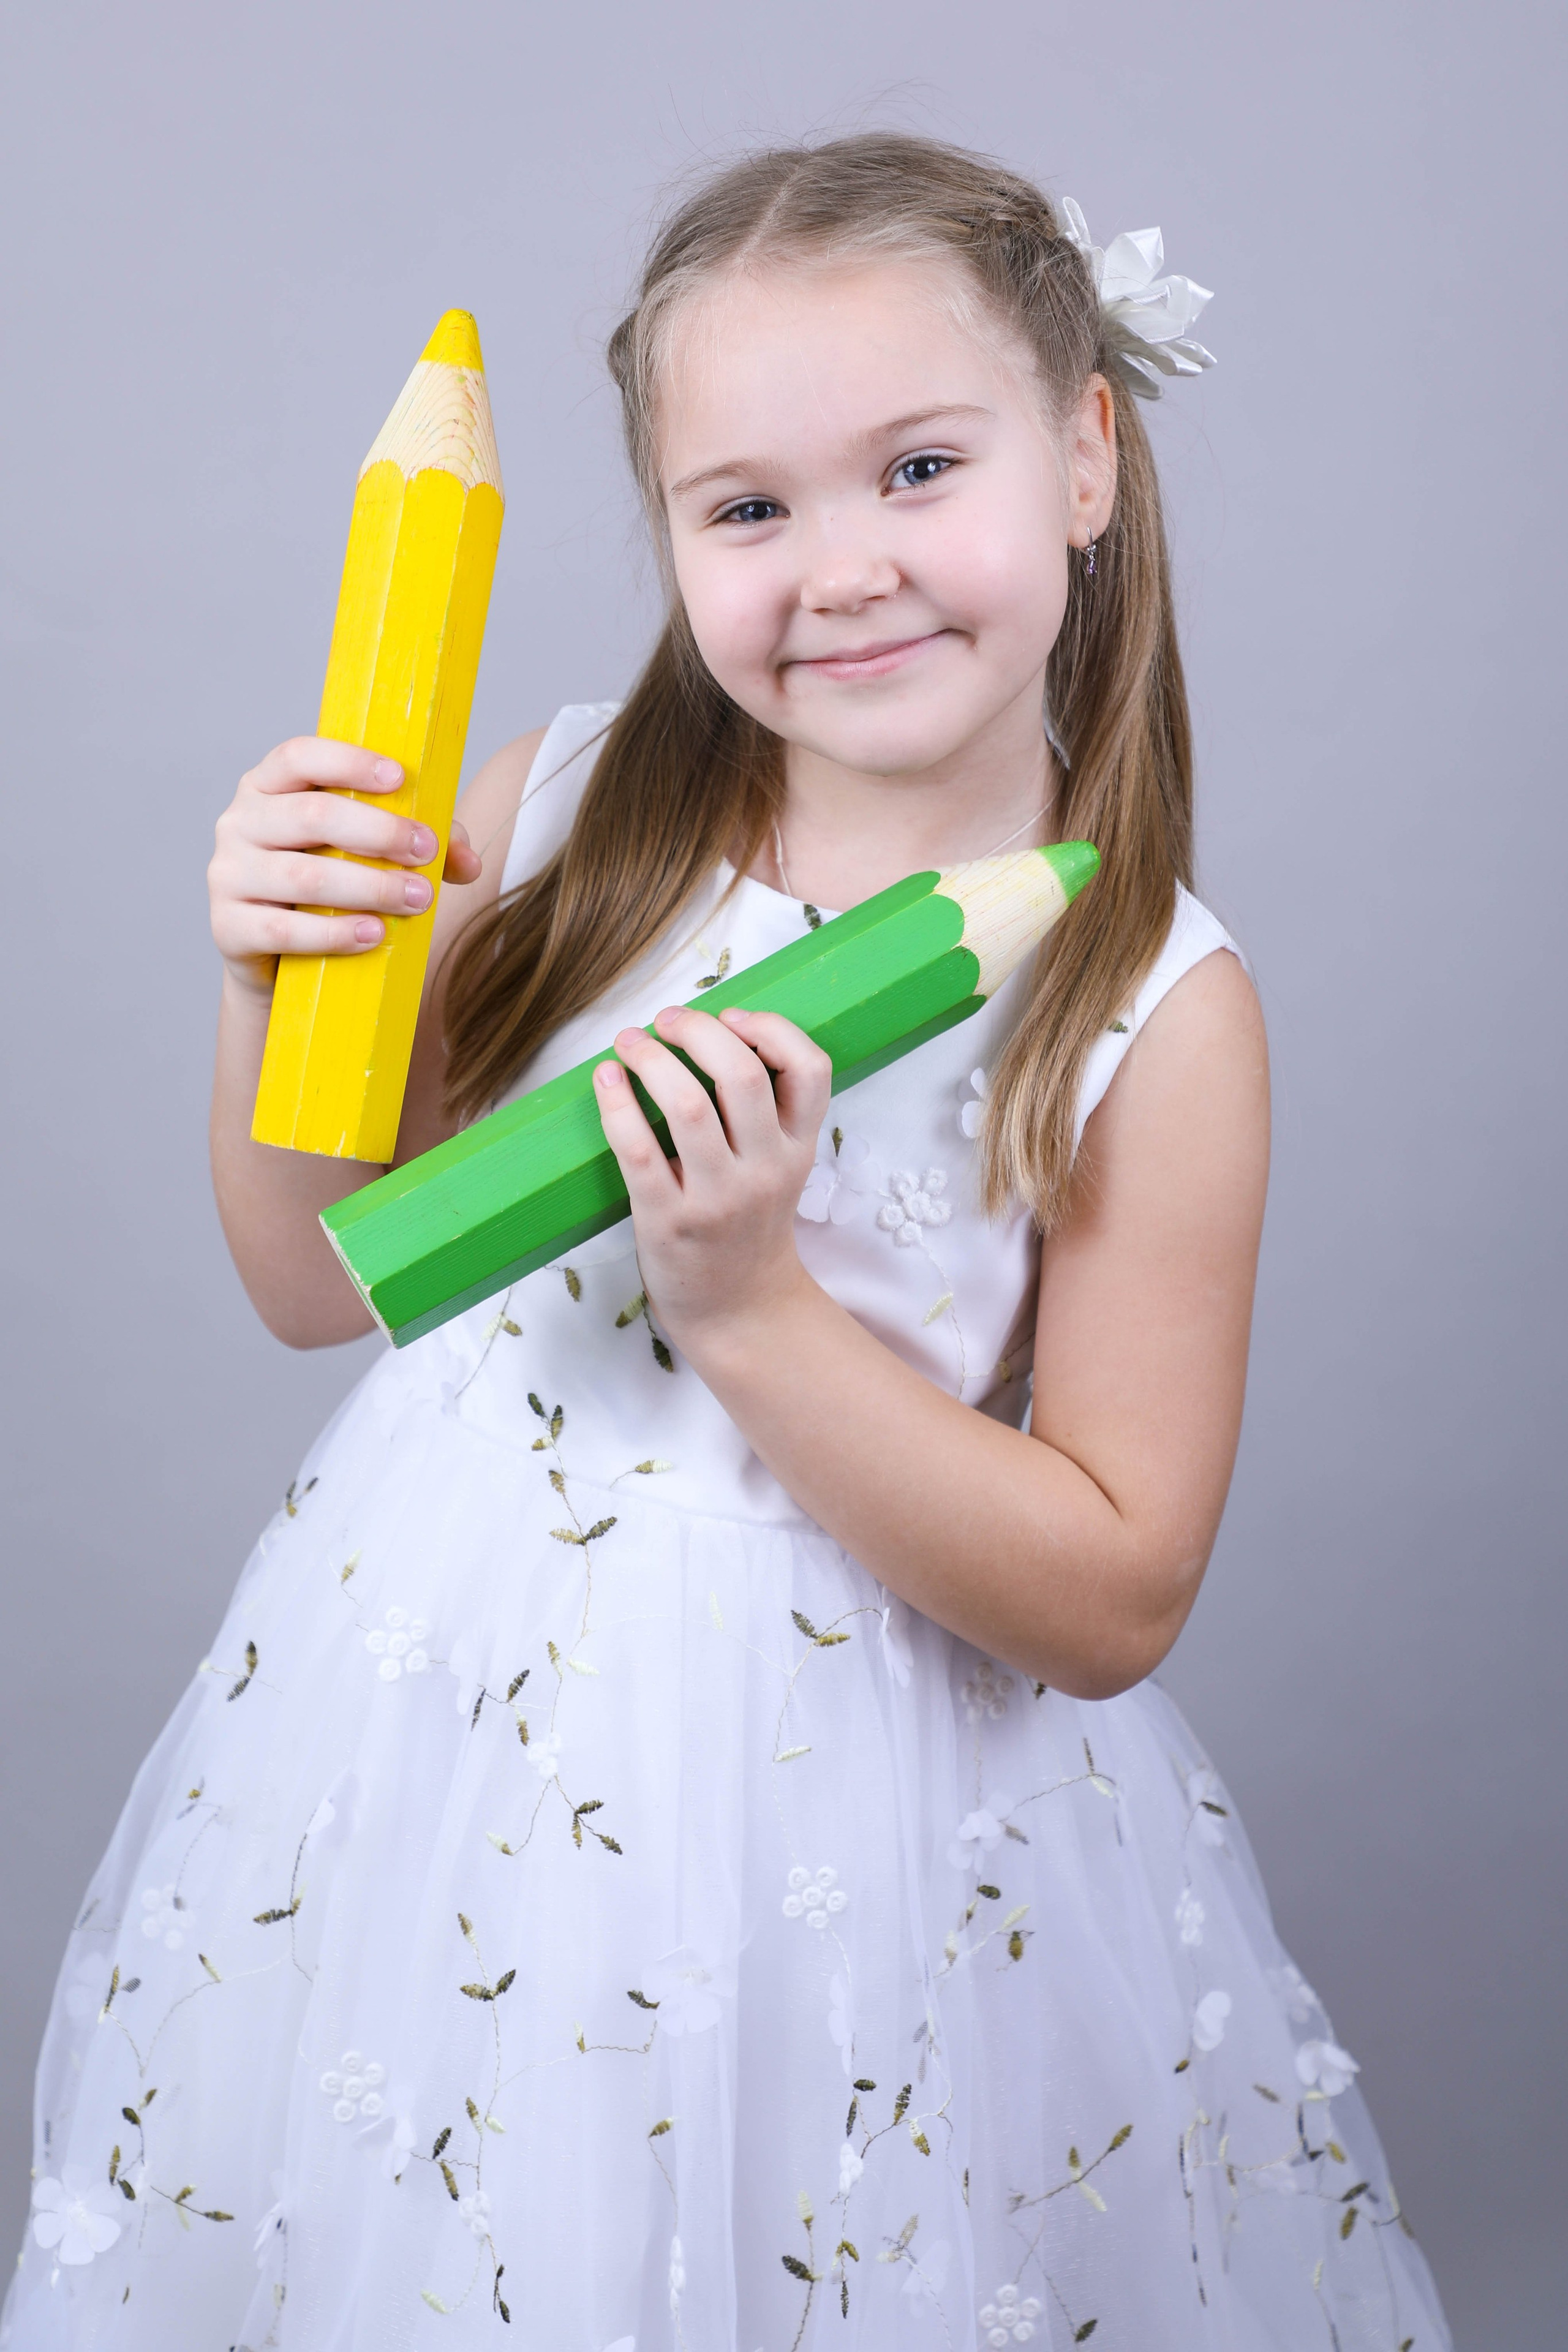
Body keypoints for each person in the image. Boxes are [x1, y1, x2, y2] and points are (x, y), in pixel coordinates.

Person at [5, 135, 1450, 2350]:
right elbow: (316, 1280)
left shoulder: (1150, 1001)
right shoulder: (556, 811)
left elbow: (1116, 1592)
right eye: (749, 508)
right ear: (669, 534)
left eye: (918, 467)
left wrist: (753, 1309)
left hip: (854, 1826)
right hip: (439, 1744)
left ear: (1084, 455)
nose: (842, 567)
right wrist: (266, 987)